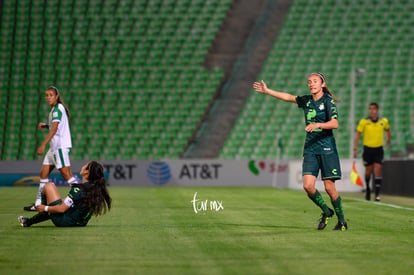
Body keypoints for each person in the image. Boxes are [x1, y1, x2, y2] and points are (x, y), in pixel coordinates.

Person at [253, 72, 347, 231]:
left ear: (322, 84)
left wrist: (318, 125)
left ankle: (342, 221)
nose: (311, 84)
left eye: (315, 81)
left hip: (327, 149)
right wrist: (268, 91)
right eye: (309, 82)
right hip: (310, 148)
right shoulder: (307, 100)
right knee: (308, 186)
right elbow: (289, 97)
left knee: (330, 188)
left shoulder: (328, 101)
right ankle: (326, 211)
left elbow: (335, 123)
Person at [24, 86, 79, 211]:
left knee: (67, 176)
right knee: (43, 174)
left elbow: (55, 129)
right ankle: (38, 204)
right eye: (47, 95)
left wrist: (43, 144)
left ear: (57, 96)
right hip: (54, 148)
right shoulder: (56, 109)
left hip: (59, 147)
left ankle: (84, 198)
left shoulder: (56, 110)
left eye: (51, 95)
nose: (48, 97)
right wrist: (45, 125)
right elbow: (56, 126)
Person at [18, 161, 112, 227]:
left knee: (49, 186)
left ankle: (38, 211)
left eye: (85, 165)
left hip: (65, 222)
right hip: (80, 223)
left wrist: (45, 208)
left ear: (87, 172)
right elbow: (74, 204)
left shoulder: (78, 189)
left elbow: (62, 209)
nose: (82, 166)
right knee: (58, 202)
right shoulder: (94, 189)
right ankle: (29, 221)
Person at [353, 102, 391, 201]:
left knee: (378, 169)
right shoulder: (364, 122)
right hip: (368, 149)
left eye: (374, 109)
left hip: (378, 149)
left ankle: (377, 195)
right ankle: (368, 189)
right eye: (370, 109)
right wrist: (355, 148)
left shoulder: (383, 121)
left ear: (377, 110)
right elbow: (357, 135)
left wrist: (388, 140)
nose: (372, 111)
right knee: (368, 172)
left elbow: (387, 130)